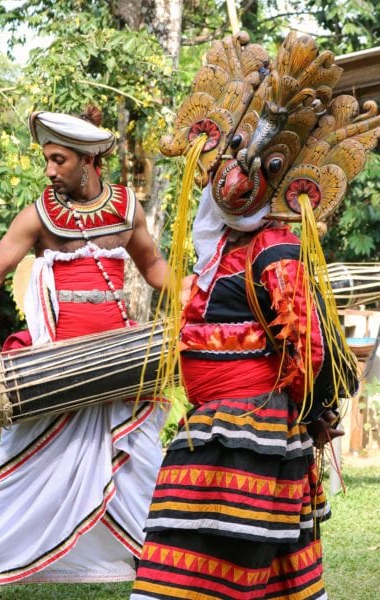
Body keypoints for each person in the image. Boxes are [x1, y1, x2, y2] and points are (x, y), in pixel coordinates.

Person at [129, 31, 372, 600]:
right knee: (243, 569)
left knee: (209, 569)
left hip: (249, 433)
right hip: (219, 427)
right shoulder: (221, 253)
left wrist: (313, 416)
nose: (235, 178)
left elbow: (310, 346)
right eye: (230, 161)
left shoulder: (274, 250)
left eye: (257, 165)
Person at [0, 106, 169, 585]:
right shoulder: (39, 215)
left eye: (59, 160)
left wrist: (202, 296)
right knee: (26, 459)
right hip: (58, 364)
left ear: (89, 160)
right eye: (47, 159)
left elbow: (154, 270)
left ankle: (149, 556)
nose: (49, 170)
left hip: (119, 360)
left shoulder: (128, 208)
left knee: (139, 456)